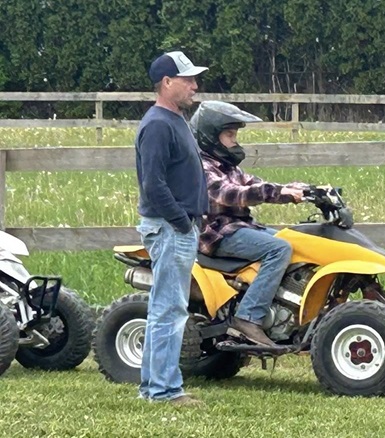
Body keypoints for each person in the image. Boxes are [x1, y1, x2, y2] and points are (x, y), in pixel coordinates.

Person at [190, 100, 306, 348]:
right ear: (211, 136)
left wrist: (299, 190)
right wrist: (273, 191)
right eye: (229, 135)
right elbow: (232, 194)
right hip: (218, 234)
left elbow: (256, 183)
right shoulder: (202, 166)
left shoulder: (228, 167)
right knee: (279, 248)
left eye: (235, 135)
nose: (235, 141)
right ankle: (248, 317)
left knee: (297, 241)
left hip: (240, 228)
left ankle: (286, 311)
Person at [134, 51, 209, 405]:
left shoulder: (174, 118)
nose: (195, 86)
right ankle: (164, 391)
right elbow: (154, 185)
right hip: (170, 228)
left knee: (164, 307)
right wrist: (181, 223)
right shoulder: (158, 124)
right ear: (167, 83)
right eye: (188, 79)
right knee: (170, 309)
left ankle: (154, 386)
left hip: (176, 226)